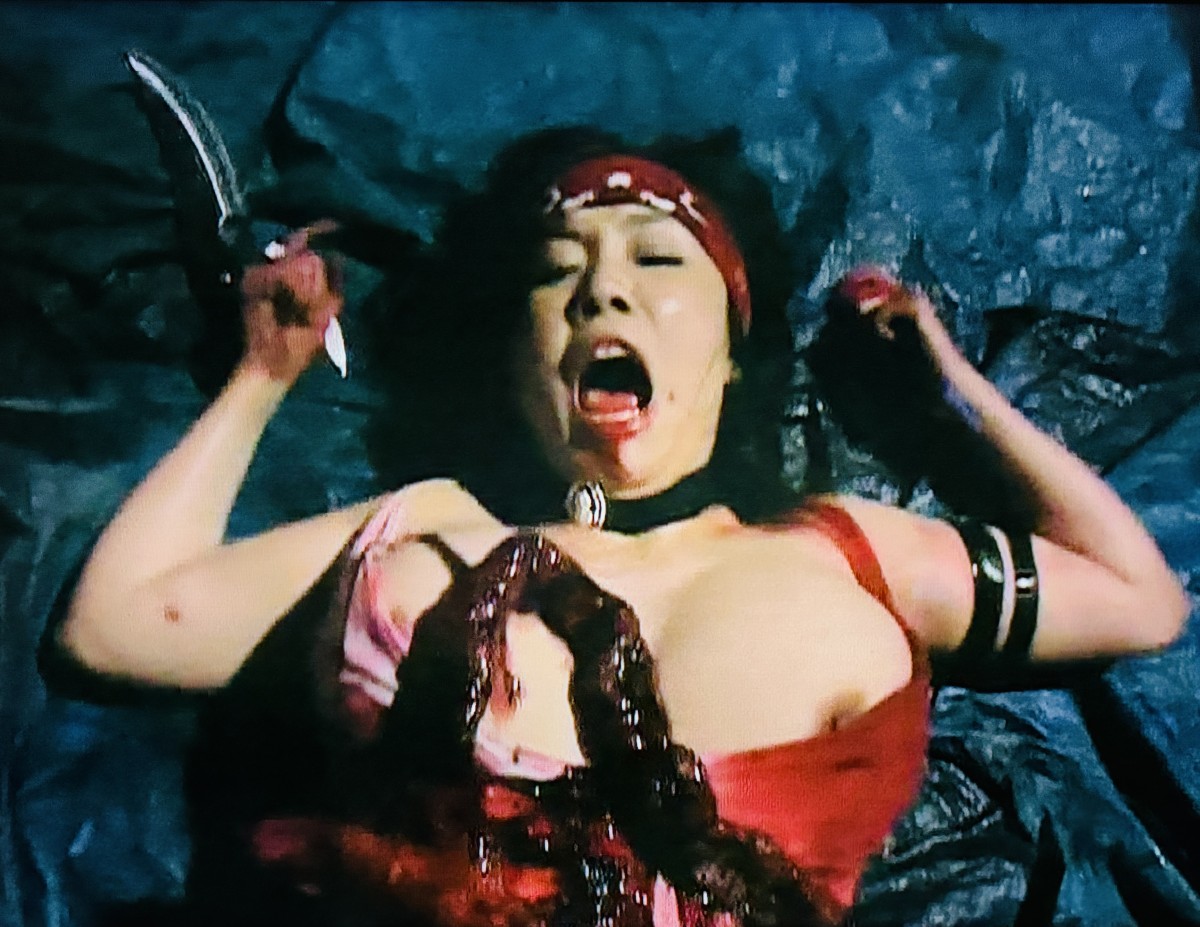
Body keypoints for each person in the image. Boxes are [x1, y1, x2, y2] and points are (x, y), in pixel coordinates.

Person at [49, 126, 1189, 927]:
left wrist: (950, 392)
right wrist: (260, 380)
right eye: (559, 274)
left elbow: (1139, 600)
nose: (602, 292)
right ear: (517, 362)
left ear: (732, 348)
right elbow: (113, 628)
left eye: (656, 259)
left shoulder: (849, 552)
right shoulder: (425, 526)